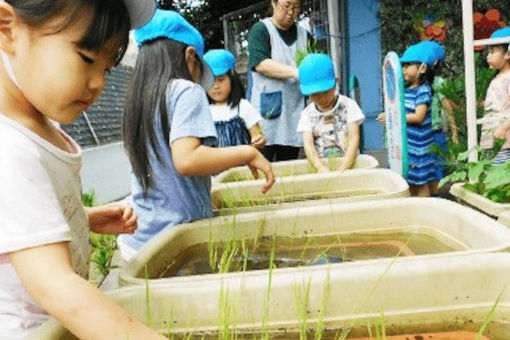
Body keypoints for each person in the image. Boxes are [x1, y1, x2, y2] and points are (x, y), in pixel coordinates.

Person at [0, 0, 167, 339]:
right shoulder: (10, 146)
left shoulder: (37, 124)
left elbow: (18, 219)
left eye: (106, 68)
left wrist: (81, 217)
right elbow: (55, 286)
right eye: (88, 58)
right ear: (7, 28)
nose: (98, 83)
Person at [119, 10, 275, 261]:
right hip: (173, 240)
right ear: (190, 55)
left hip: (138, 238)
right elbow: (187, 160)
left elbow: (165, 170)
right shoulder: (186, 90)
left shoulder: (138, 98)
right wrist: (247, 152)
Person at [248, 0, 307, 162]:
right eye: (286, 6)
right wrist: (298, 73)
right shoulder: (261, 30)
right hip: (266, 112)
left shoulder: (303, 34)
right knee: (262, 165)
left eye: (296, 7)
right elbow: (261, 64)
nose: (291, 12)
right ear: (274, 3)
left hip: (294, 110)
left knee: (289, 167)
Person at [377, 44, 437, 197]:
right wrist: (389, 116)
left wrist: (393, 118)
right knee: (409, 180)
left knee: (421, 182)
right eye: (402, 65)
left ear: (422, 68)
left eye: (408, 65)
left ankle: (425, 211)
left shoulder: (423, 90)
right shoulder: (405, 90)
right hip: (408, 146)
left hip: (420, 148)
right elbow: (399, 111)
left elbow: (418, 116)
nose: (403, 69)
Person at [296, 54, 364, 173]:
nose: (321, 98)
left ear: (335, 82)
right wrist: (320, 167)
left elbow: (354, 137)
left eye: (325, 91)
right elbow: (308, 144)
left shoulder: (349, 106)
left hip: (350, 166)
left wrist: (343, 168)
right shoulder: (307, 114)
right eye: (315, 94)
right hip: (321, 167)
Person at [415, 40, 459, 196]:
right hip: (419, 134)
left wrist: (454, 133)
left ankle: (438, 200)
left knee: (437, 171)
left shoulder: (438, 83)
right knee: (422, 171)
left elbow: (448, 108)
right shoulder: (414, 85)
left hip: (435, 133)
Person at [203, 49, 266, 149]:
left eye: (221, 80)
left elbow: (257, 136)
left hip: (243, 164)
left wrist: (258, 141)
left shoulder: (243, 107)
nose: (215, 86)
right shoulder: (203, 111)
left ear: (232, 79)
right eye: (210, 81)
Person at [478, 27, 510, 165]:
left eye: (492, 51)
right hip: (490, 139)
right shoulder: (497, 78)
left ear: (508, 54)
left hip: (503, 140)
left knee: (501, 179)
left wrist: (504, 127)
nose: (488, 56)